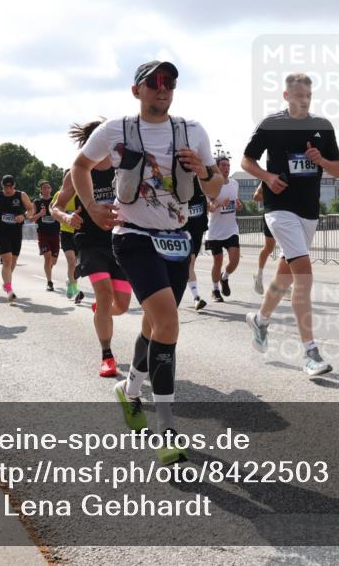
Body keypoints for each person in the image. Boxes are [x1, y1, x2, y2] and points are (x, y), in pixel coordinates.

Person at [73, 60, 221, 464]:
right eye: (154, 83)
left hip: (177, 237)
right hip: (133, 237)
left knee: (154, 324)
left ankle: (130, 390)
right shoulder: (116, 130)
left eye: (169, 83)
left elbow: (215, 185)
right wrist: (90, 205)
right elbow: (81, 166)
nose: (163, 89)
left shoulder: (193, 130)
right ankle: (167, 427)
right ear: (136, 90)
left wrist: (204, 171)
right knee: (169, 323)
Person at [242, 72, 339, 377]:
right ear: (286, 96)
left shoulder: (322, 127)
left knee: (285, 276)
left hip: (308, 211)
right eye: (298, 96)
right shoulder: (272, 124)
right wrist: (268, 178)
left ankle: (260, 319)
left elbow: (337, 170)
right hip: (279, 208)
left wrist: (320, 160)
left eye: (308, 96)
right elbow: (246, 160)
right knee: (304, 275)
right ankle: (310, 352)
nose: (304, 101)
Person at [54, 120, 133, 378]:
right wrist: (65, 218)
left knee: (120, 305)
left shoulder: (123, 167)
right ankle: (107, 355)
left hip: (121, 241)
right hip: (91, 242)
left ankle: (101, 313)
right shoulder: (76, 172)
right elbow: (56, 207)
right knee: (103, 294)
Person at [0, 175, 35, 303]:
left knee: (13, 261)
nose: (8, 189)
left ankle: (6, 282)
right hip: (2, 232)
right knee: (7, 261)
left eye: (10, 187)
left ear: (14, 185)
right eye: (5, 187)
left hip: (16, 232)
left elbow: (31, 209)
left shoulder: (22, 195)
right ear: (2, 185)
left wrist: (24, 216)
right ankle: (9, 290)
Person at [205, 156, 243, 302]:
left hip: (231, 229)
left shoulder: (235, 183)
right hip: (215, 231)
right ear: (217, 167)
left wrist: (238, 205)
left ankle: (224, 277)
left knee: (234, 260)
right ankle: (215, 290)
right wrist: (221, 204)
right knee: (217, 262)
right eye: (223, 165)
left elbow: (236, 201)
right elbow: (210, 208)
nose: (227, 168)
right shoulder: (211, 186)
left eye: (228, 165)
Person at [51, 171, 85, 302]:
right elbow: (54, 210)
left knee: (75, 264)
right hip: (65, 232)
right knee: (71, 261)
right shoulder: (59, 195)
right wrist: (67, 215)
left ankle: (70, 282)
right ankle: (76, 291)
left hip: (79, 233)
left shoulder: (82, 193)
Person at [184, 176, 209, 311]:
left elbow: (212, 199)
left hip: (198, 231)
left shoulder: (202, 180)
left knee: (188, 266)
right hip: (183, 231)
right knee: (190, 263)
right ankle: (196, 298)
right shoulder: (180, 179)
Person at [31, 180, 61, 291]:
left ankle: (48, 272)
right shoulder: (37, 202)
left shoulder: (56, 201)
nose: (46, 189)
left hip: (55, 234)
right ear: (41, 190)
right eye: (44, 187)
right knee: (47, 257)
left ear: (51, 189)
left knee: (53, 260)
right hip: (43, 234)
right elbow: (31, 218)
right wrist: (40, 214)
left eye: (48, 187)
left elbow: (62, 214)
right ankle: (49, 282)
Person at [252, 183, 276, 295]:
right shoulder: (266, 178)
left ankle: (282, 283)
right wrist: (272, 196)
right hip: (271, 215)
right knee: (269, 247)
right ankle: (259, 275)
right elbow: (256, 197)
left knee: (289, 248)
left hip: (289, 216)